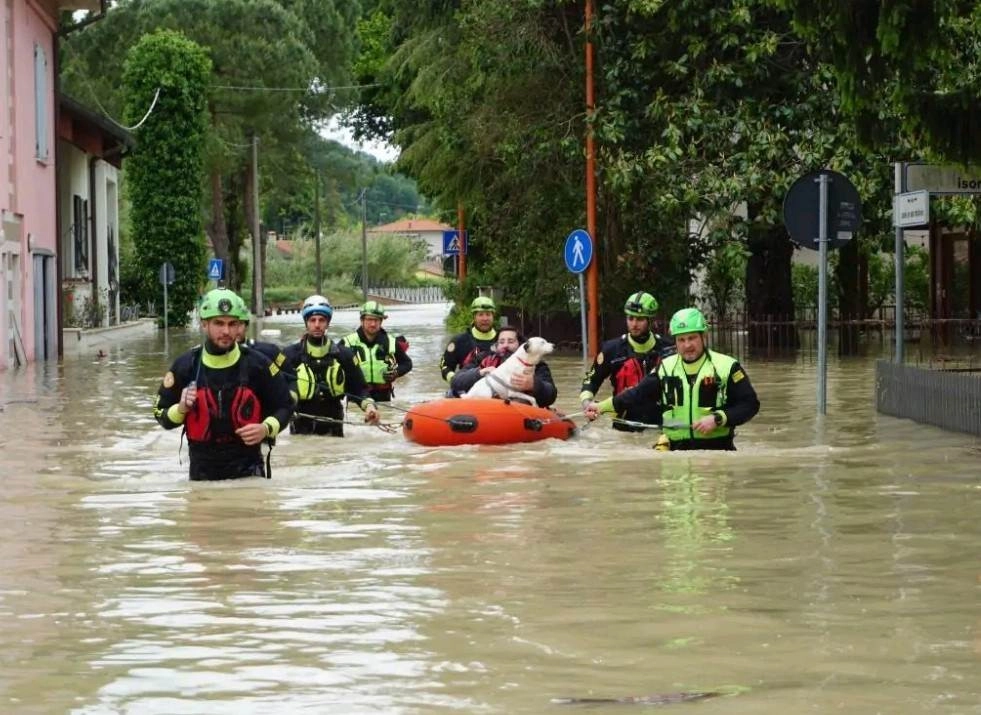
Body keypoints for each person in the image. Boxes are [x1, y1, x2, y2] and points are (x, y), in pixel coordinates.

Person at [153, 288, 294, 480]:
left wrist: (266, 429)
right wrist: (181, 408)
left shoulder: (258, 364)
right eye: (219, 323)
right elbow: (159, 413)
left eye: (232, 324)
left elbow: (286, 405)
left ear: (239, 326)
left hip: (249, 475)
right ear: (204, 324)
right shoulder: (185, 366)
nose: (226, 331)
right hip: (201, 478)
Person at [585, 307, 759, 451]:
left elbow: (750, 404)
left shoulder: (727, 366)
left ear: (703, 336)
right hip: (675, 451)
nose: (687, 345)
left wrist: (718, 419)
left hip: (717, 450)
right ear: (675, 342)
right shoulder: (665, 367)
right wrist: (600, 407)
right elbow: (636, 394)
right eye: (681, 340)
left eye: (692, 338)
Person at [282, 294, 379, 436]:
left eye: (321, 320)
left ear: (328, 323)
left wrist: (369, 407)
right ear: (306, 322)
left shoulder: (345, 355)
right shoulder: (289, 355)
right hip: (300, 428)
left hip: (334, 427)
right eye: (312, 320)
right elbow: (275, 390)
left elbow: (360, 389)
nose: (317, 325)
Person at [578, 291, 674, 430]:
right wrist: (587, 404)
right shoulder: (611, 349)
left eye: (640, 319)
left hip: (659, 425)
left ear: (650, 320)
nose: (634, 324)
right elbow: (591, 380)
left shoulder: (668, 349)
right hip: (623, 426)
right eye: (630, 318)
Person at [449, 327, 557, 406]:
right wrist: (479, 372)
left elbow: (551, 395)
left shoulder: (537, 365)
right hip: (480, 408)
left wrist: (535, 385)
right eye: (501, 342)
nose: (505, 345)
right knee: (451, 394)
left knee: (519, 402)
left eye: (511, 341)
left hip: (515, 412)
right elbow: (455, 381)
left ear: (520, 345)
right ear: (496, 345)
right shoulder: (482, 359)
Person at [340, 301, 412, 403]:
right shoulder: (347, 342)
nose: (373, 324)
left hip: (383, 396)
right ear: (362, 320)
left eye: (376, 320)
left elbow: (407, 363)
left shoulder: (390, 342)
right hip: (357, 397)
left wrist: (396, 373)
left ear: (381, 321)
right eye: (369, 319)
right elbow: (333, 364)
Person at [439, 295, 499, 388]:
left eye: (488, 314)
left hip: (497, 389)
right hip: (467, 390)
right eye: (480, 315)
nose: (485, 319)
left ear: (493, 316)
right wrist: (456, 380)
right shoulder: (460, 341)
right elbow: (445, 366)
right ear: (474, 317)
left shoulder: (503, 340)